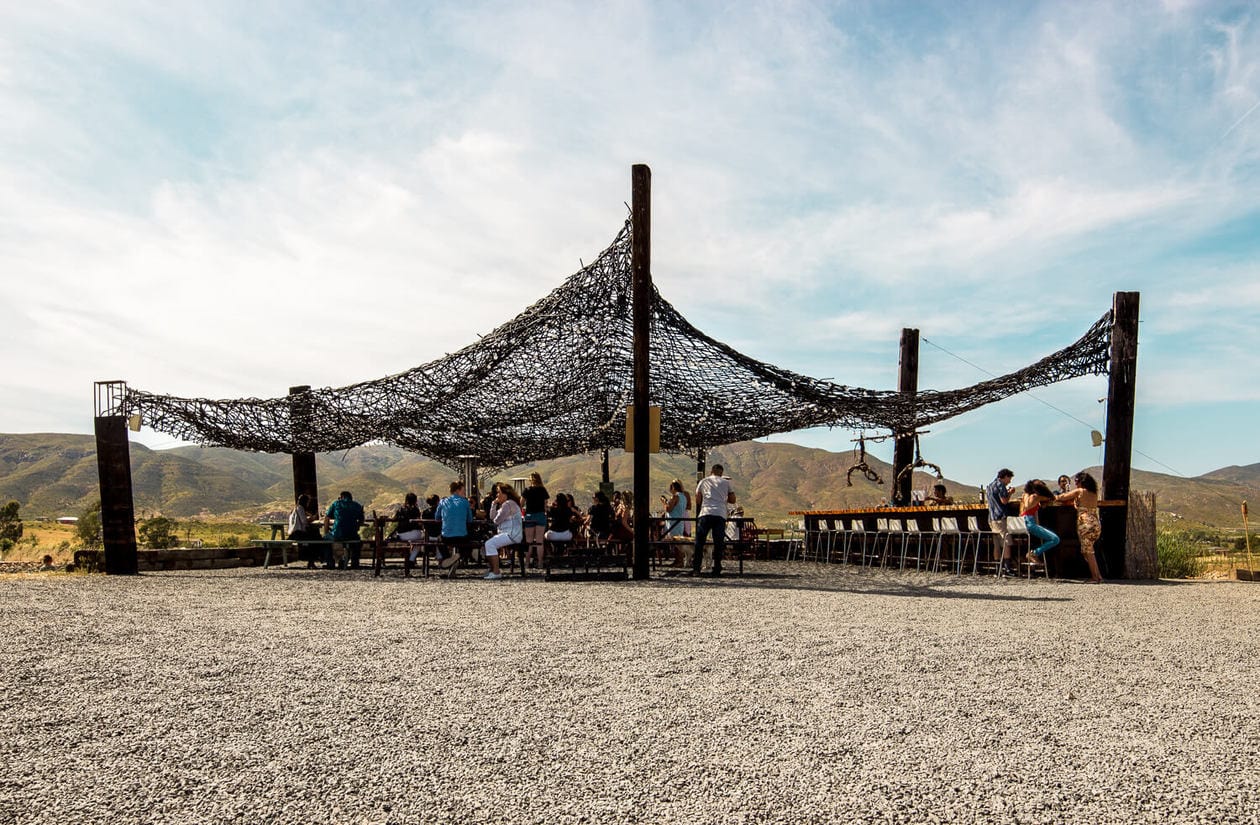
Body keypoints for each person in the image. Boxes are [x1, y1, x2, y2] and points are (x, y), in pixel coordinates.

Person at [1056, 471, 1105, 583]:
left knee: (1088, 552)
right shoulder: (1093, 493)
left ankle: (1095, 577)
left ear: (1082, 482)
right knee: (1090, 550)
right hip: (1095, 523)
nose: (1075, 484)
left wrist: (1053, 497)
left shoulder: (1080, 491)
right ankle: (1098, 576)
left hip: (1085, 523)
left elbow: (1063, 497)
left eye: (1076, 481)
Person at [694, 464, 736, 577]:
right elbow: (733, 499)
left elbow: (697, 499)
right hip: (720, 514)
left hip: (705, 513)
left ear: (711, 471)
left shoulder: (703, 481)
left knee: (699, 542)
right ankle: (716, 568)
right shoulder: (726, 483)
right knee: (718, 543)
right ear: (721, 472)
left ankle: (696, 569)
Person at [482, 484, 523, 580]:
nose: (497, 495)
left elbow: (496, 520)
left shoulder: (508, 504)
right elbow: (492, 517)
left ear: (505, 494)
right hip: (510, 534)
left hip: (512, 534)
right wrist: (494, 504)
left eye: (499, 492)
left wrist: (495, 509)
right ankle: (493, 570)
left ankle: (496, 571)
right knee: (488, 544)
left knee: (489, 544)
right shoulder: (507, 504)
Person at [436, 480, 474, 573]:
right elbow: (470, 520)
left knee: (439, 539)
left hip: (446, 537)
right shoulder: (465, 502)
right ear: (458, 490)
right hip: (462, 537)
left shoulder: (443, 501)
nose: (464, 493)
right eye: (463, 491)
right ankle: (459, 555)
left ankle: (447, 559)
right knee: (472, 541)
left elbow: (437, 517)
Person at [323, 490, 366, 570]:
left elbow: (327, 518)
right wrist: (356, 527)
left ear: (341, 497)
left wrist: (326, 532)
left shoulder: (336, 503)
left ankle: (330, 562)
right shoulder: (357, 505)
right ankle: (354, 562)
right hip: (352, 534)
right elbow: (361, 520)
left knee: (325, 540)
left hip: (337, 534)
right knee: (357, 540)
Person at [1021, 480, 1060, 564]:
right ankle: (1034, 553)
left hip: (1022, 521)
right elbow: (1053, 498)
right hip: (1030, 523)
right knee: (1055, 539)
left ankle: (1033, 554)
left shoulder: (1025, 495)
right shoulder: (1037, 496)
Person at [986, 469, 1017, 577]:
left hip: (991, 518)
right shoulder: (1000, 485)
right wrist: (1010, 493)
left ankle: (997, 569)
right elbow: (1004, 501)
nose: (1009, 481)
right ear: (1005, 477)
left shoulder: (990, 486)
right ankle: (1007, 569)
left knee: (996, 545)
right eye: (1009, 478)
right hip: (1000, 517)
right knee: (1006, 543)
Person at [521, 473, 550, 569]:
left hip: (530, 515)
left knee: (529, 541)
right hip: (540, 515)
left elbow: (521, 503)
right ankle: (540, 563)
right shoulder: (543, 490)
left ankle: (527, 563)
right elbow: (545, 504)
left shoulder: (527, 490)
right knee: (539, 541)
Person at [286, 493, 322, 568]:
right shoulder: (300, 508)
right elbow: (304, 521)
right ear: (305, 502)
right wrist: (312, 518)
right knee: (317, 539)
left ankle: (312, 561)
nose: (308, 503)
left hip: (292, 533)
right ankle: (313, 560)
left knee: (313, 540)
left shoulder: (294, 509)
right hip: (298, 533)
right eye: (308, 502)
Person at [661, 479, 691, 567]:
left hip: (674, 521)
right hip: (680, 521)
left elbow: (668, 509)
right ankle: (678, 560)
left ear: (673, 488)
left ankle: (679, 561)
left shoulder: (675, 497)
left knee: (676, 542)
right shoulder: (683, 497)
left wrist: (664, 502)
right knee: (677, 541)